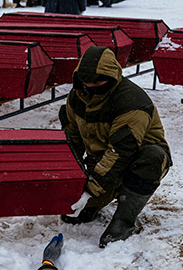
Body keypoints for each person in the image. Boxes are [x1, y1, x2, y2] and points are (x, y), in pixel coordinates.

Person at [60, 46, 172, 247]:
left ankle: (124, 220)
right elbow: (72, 139)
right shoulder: (77, 96)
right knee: (73, 215)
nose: (91, 86)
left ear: (111, 77)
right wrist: (72, 181)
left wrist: (90, 189)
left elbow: (120, 152)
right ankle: (96, 201)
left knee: (151, 159)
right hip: (101, 160)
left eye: (98, 82)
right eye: (87, 81)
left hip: (135, 159)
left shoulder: (131, 102)